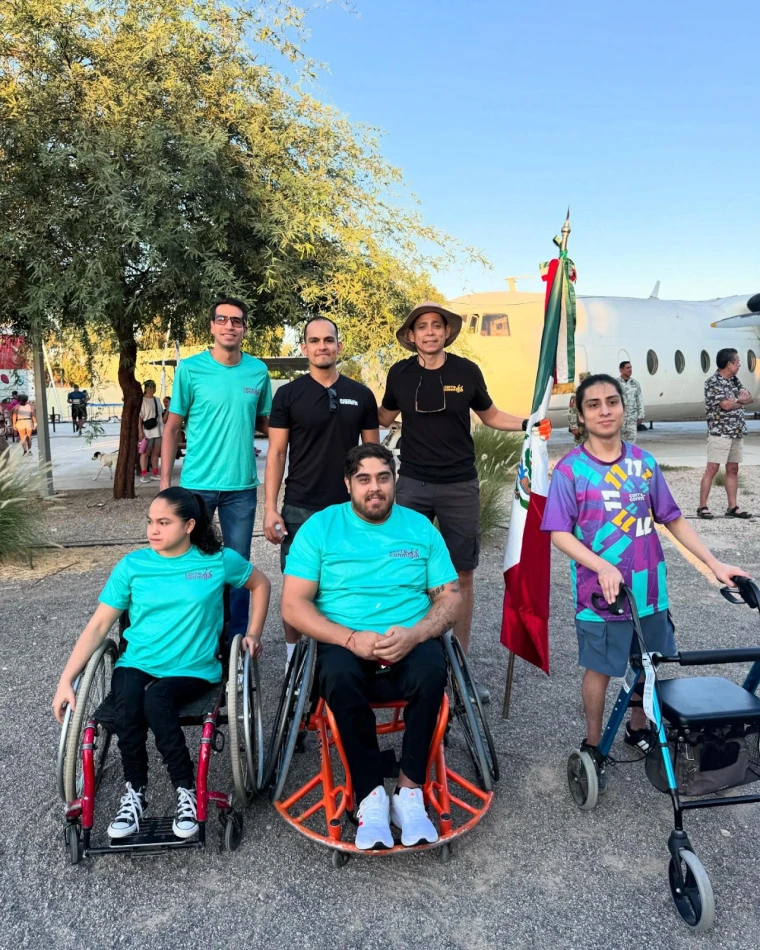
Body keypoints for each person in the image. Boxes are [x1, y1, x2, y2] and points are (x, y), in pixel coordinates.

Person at [541, 373, 747, 789]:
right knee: (600, 669)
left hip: (650, 591)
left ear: (624, 408)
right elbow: (559, 532)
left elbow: (670, 517)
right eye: (594, 404)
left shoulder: (644, 464)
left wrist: (714, 564)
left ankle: (639, 727)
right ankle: (595, 744)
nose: (604, 410)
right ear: (579, 414)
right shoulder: (569, 471)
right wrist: (600, 565)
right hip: (600, 597)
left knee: (650, 664)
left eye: (611, 402)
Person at [51, 488, 271, 839]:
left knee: (157, 700)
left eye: (164, 522)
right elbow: (98, 626)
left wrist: (254, 634)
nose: (153, 530)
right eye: (150, 522)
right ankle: (135, 792)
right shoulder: (133, 566)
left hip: (193, 668)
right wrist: (67, 680)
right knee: (127, 701)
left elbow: (260, 584)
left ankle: (185, 790)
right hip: (138, 661)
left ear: (189, 525)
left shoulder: (216, 561)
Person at [282, 443, 462, 850]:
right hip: (344, 639)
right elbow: (293, 605)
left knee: (433, 669)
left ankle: (410, 792)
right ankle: (369, 796)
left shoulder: (420, 529)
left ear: (395, 481)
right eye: (364, 479)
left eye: (383, 478)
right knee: (340, 678)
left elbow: (451, 598)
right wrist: (348, 638)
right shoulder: (320, 528)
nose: (374, 488)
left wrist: (416, 634)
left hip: (408, 638)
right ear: (348, 484)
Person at [378, 301, 537, 704]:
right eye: (422, 327)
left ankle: (460, 670)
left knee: (462, 574)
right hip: (411, 481)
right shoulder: (399, 373)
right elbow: (380, 417)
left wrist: (527, 424)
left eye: (437, 326)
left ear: (446, 333)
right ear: (411, 336)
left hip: (459, 484)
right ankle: (407, 658)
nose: (430, 332)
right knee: (405, 567)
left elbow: (492, 416)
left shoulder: (466, 372)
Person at [264, 317, 379, 667]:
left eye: (329, 340)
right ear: (304, 349)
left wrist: (374, 501)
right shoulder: (287, 395)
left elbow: (372, 457)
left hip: (350, 507)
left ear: (339, 346)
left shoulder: (361, 395)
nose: (322, 346)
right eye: (314, 341)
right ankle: (292, 658)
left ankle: (344, 649)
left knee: (350, 580)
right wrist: (270, 507)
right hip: (300, 505)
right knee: (297, 584)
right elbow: (277, 453)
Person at [160, 298, 272, 639]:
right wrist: (166, 485)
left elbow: (270, 426)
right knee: (194, 564)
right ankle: (196, 637)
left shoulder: (258, 372)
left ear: (244, 329)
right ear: (211, 326)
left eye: (236, 321)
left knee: (237, 568)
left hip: (242, 489)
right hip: (197, 487)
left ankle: (235, 644)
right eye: (222, 319)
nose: (229, 326)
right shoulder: (190, 370)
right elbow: (171, 428)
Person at [698, 348, 754, 520]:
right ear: (729, 364)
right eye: (737, 362)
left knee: (733, 468)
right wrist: (739, 401)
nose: (739, 365)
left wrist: (736, 401)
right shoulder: (713, 382)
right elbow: (725, 406)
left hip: (736, 431)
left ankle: (733, 506)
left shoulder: (735, 381)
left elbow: (749, 398)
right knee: (712, 468)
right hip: (720, 432)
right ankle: (702, 507)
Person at [138, 379, 163, 484]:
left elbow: (161, 415)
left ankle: (155, 472)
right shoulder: (142, 401)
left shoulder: (157, 400)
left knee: (156, 452)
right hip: (147, 431)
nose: (153, 389)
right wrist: (140, 431)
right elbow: (139, 418)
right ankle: (143, 474)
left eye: (154, 387)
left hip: (158, 430)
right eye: (151, 387)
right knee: (145, 452)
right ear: (146, 388)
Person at [618, 361, 645, 443]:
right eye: (627, 368)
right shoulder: (615, 383)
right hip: (619, 419)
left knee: (631, 441)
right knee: (619, 442)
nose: (630, 370)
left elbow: (639, 399)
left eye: (631, 367)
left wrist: (641, 415)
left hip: (632, 419)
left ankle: (629, 456)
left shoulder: (635, 383)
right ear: (621, 370)